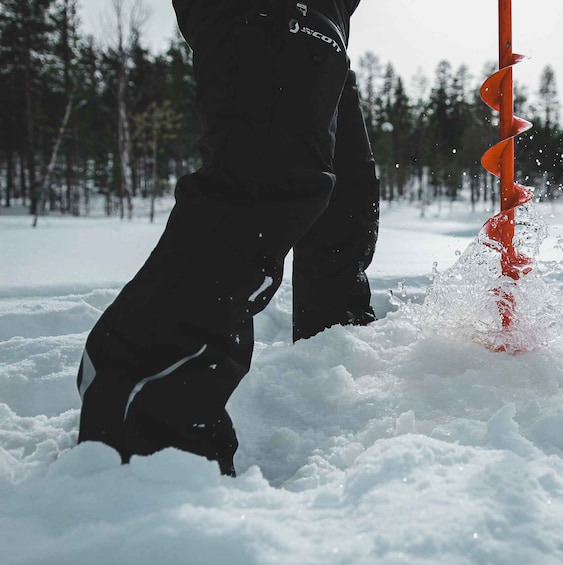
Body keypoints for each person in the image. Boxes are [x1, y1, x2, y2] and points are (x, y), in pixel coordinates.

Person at [75, 0, 378, 477]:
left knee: (344, 204)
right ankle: (146, 432)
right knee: (265, 185)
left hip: (328, 12)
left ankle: (329, 363)